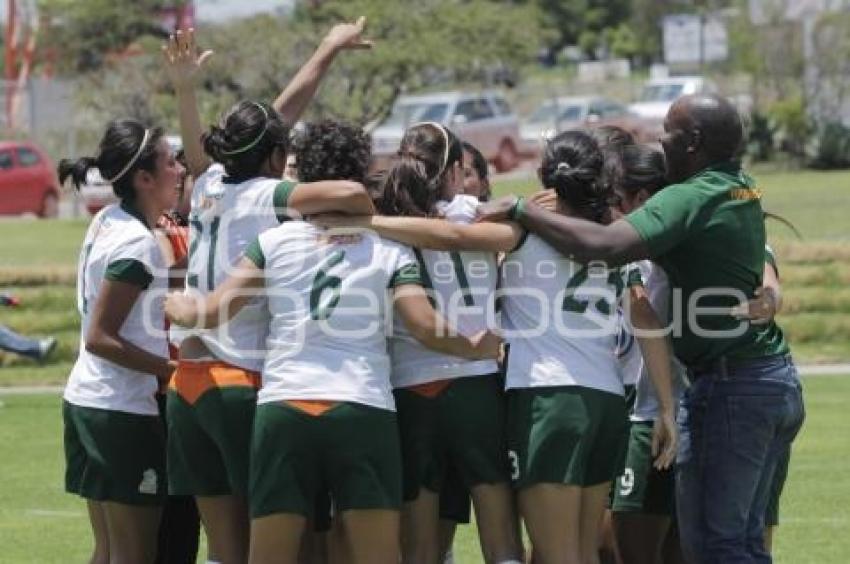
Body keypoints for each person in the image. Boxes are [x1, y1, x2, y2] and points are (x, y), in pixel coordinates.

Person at [316, 130, 678, 564]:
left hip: (533, 395)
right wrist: (667, 407)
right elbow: (646, 318)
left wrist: (365, 222)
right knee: (563, 548)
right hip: (590, 400)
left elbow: (450, 237)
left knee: (535, 553)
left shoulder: (512, 230)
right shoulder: (606, 238)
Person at [477, 94, 805, 564]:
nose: (659, 140)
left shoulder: (691, 195)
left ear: (692, 142)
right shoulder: (739, 185)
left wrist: (523, 210)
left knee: (718, 547)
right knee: (741, 544)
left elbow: (607, 247)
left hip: (733, 386)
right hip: (767, 380)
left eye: (667, 132)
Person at [163, 119, 501, 564]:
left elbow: (213, 311)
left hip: (284, 408)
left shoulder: (274, 242)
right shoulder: (386, 246)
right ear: (360, 173)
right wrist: (474, 345)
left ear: (301, 174)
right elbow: (423, 326)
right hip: (361, 409)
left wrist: (179, 308)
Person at [161, 22, 376, 564]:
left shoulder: (208, 181)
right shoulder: (270, 195)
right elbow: (349, 192)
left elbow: (274, 122)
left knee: (225, 550)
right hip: (241, 378)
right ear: (278, 156)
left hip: (187, 382)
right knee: (286, 542)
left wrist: (186, 89)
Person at [58, 119, 184, 564]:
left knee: (109, 551)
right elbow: (100, 338)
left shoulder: (108, 221)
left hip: (90, 402)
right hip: (120, 413)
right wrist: (175, 371)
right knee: (133, 555)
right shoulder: (137, 243)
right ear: (143, 178)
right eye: (171, 161)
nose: (181, 168)